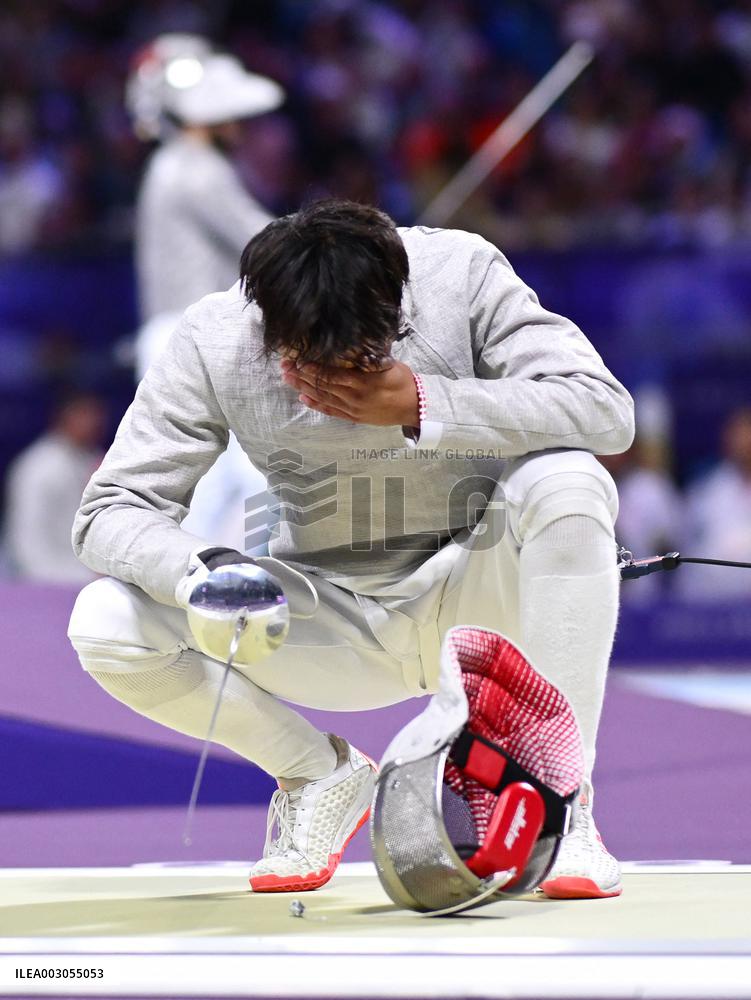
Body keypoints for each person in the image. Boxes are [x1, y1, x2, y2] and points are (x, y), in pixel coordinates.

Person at [67, 200, 634, 897]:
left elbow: (604, 410)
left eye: (361, 355)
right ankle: (315, 774)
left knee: (568, 479)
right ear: (268, 328)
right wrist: (203, 572)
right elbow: (110, 509)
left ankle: (558, 802)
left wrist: (422, 401)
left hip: (481, 595)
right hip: (332, 617)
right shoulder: (215, 336)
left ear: (396, 309)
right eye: (308, 358)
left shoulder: (461, 271)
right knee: (104, 620)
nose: (336, 372)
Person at [127, 33, 284, 550]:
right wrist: (345, 246)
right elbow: (265, 240)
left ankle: (206, 594)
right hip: (194, 340)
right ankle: (213, 591)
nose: (238, 125)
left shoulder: (175, 164)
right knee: (246, 474)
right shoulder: (193, 167)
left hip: (185, 339)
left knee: (223, 478)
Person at [5, 390, 105, 584]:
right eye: (84, 413)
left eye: (97, 414)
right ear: (64, 416)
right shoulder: (38, 466)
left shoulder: (94, 459)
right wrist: (88, 577)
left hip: (82, 574)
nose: (94, 421)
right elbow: (28, 548)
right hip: (36, 584)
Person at [680, 406, 751, 598]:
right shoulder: (707, 490)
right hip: (714, 602)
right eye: (739, 435)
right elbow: (691, 549)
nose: (745, 443)